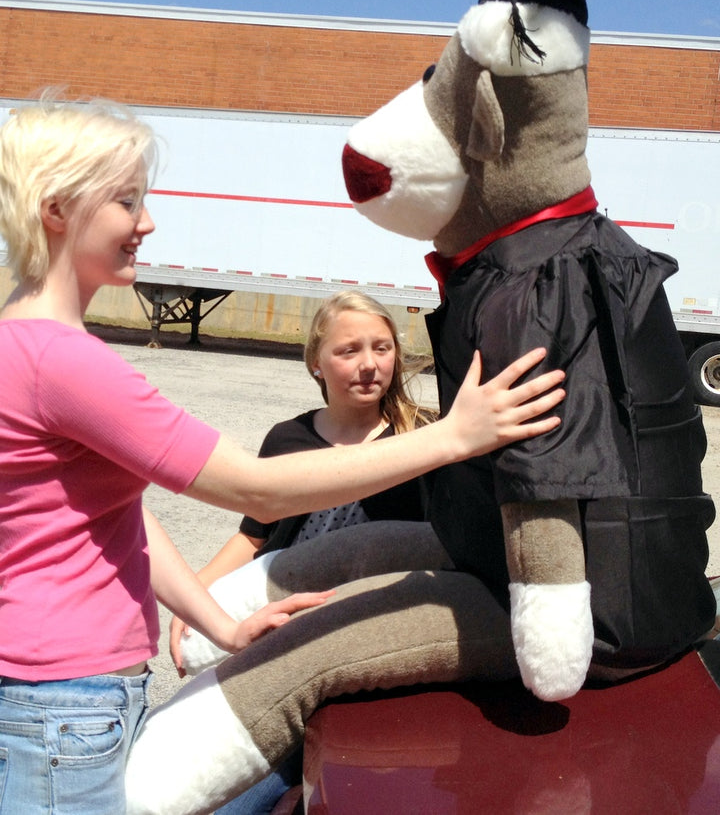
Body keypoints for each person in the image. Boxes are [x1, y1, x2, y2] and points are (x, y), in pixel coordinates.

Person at [0, 95, 566, 815]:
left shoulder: (19, 338)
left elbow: (119, 516)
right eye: (125, 202)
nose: (145, 222)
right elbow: (258, 491)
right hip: (65, 703)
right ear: (57, 210)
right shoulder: (66, 362)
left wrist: (222, 625)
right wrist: (455, 435)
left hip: (66, 693)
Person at [171, 290, 439, 814]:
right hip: (283, 634)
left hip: (369, 643)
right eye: (349, 351)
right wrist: (195, 594)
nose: (369, 365)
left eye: (382, 348)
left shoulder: (424, 441)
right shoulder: (287, 439)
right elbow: (253, 536)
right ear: (316, 361)